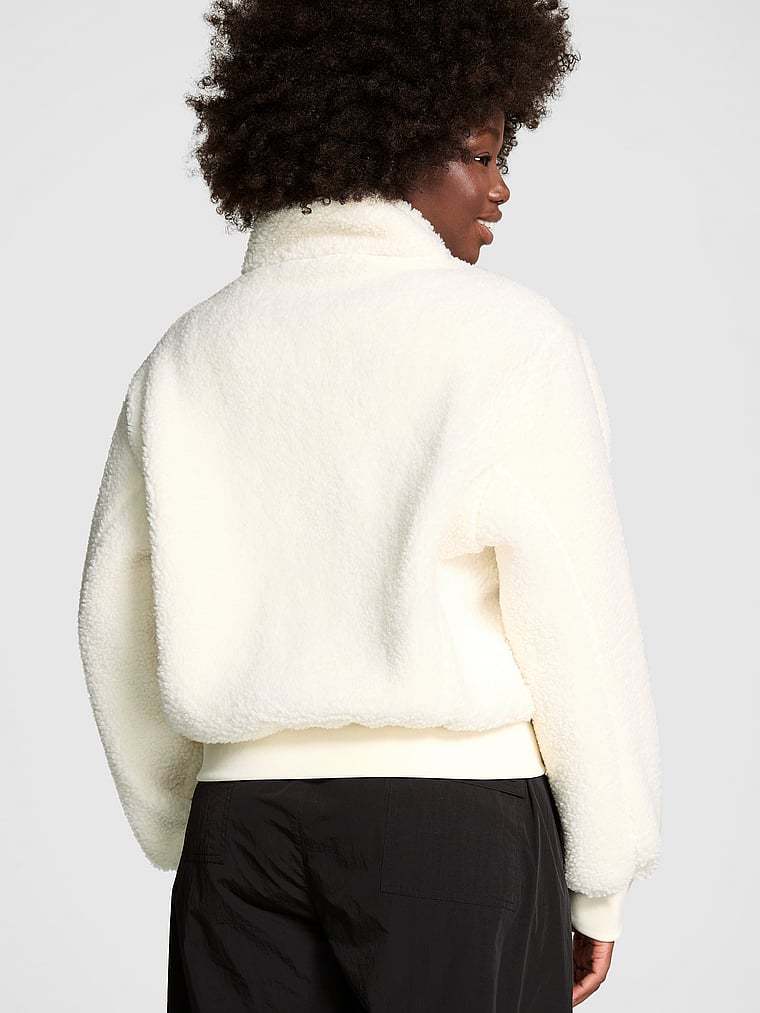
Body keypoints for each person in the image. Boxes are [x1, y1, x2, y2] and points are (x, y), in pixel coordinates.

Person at [76, 2, 662, 1009]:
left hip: (242, 831)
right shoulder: (507, 339)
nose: (500, 187)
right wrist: (601, 874)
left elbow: (114, 617)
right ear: (393, 145)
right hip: (457, 822)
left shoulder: (188, 352)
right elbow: (576, 612)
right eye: (481, 155)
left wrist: (185, 814)